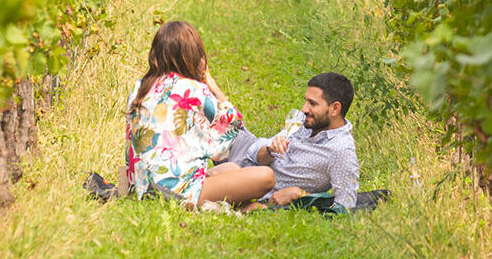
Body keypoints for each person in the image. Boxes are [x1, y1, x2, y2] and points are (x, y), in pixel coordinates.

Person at [122, 20, 274, 208]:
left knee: (232, 169)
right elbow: (233, 127)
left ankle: (231, 207)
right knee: (266, 177)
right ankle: (223, 208)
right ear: (193, 55)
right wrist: (209, 82)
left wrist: (123, 188)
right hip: (175, 192)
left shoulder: (139, 87)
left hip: (137, 185)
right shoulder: (193, 89)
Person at [232, 72, 361, 210]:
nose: (304, 109)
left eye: (312, 103)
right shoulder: (304, 120)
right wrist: (270, 149)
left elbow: (344, 206)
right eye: (305, 101)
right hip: (245, 157)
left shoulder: (341, 150)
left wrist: (300, 194)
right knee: (220, 118)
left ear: (335, 108)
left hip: (253, 186)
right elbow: (255, 155)